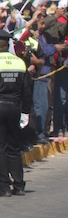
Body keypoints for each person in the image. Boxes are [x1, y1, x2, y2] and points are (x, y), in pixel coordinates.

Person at [0, 29, 32, 197]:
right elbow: (27, 91)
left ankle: (4, 187)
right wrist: (26, 112)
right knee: (14, 147)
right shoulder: (19, 62)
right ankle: (19, 185)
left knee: (1, 148)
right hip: (14, 107)